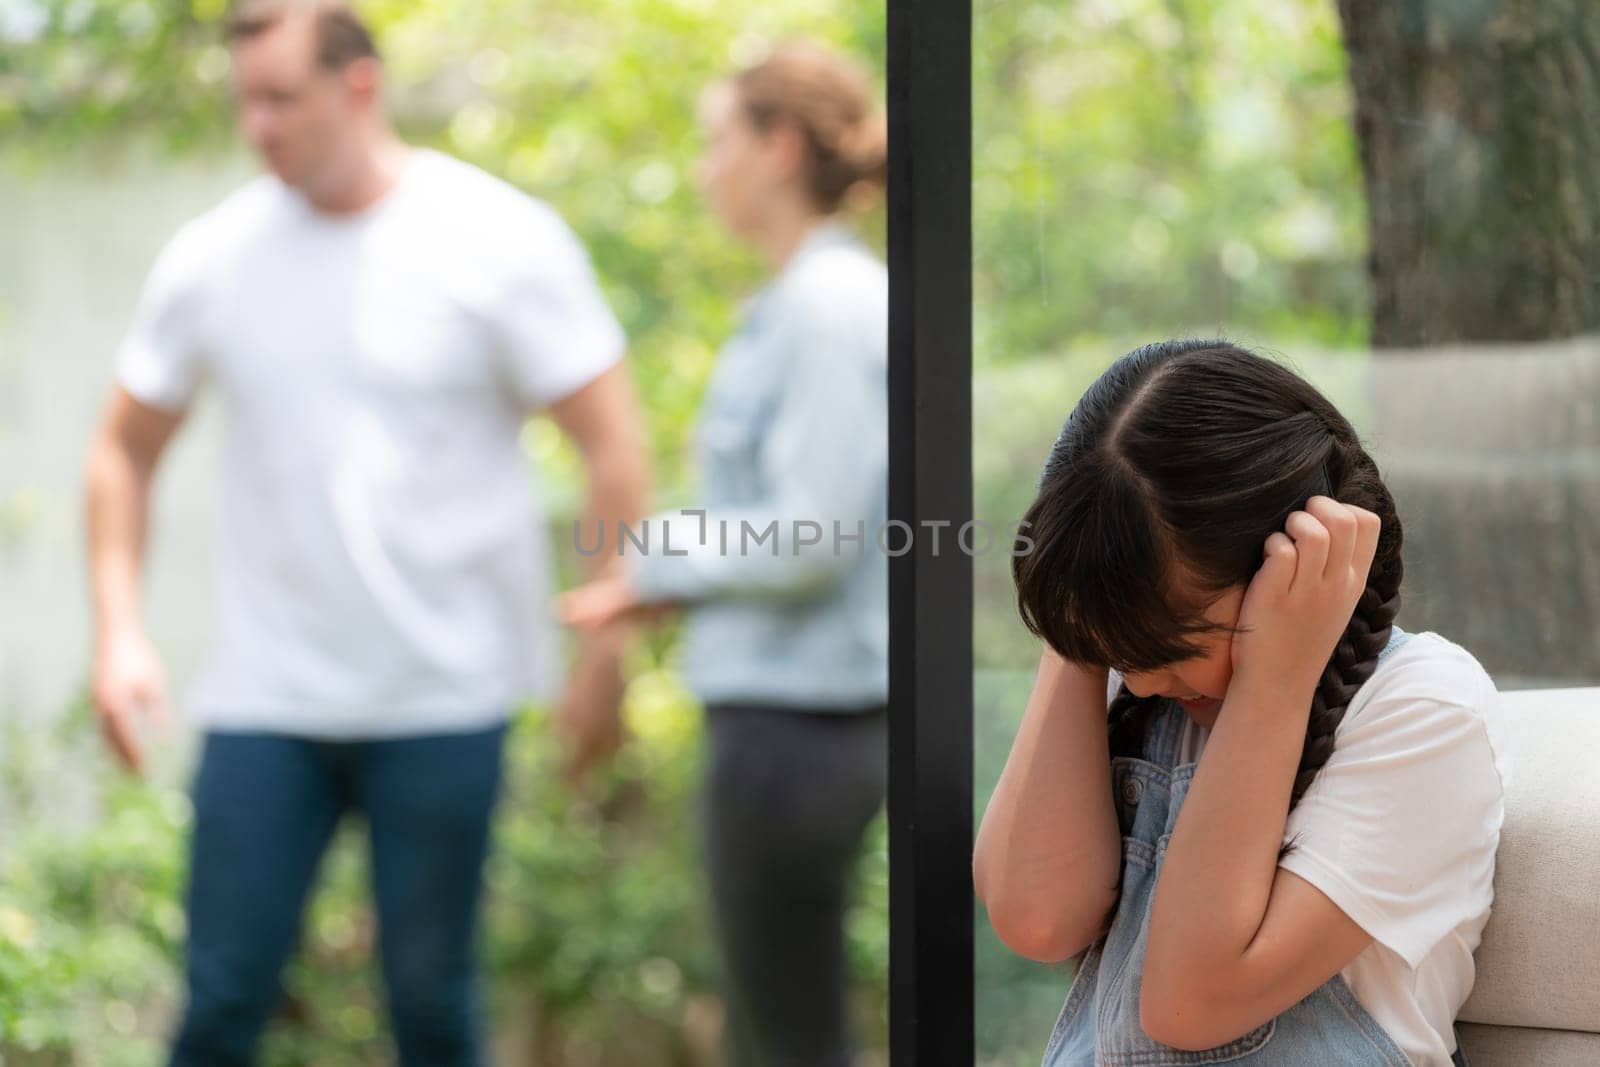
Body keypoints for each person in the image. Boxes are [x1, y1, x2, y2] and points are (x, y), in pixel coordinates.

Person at [83, 1, 649, 1063]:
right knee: (218, 1000)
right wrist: (119, 631)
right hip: (267, 696)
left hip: (444, 693)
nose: (256, 127)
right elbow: (123, 446)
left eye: (280, 99)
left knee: (433, 1007)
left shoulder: (499, 239)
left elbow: (611, 444)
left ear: (359, 86)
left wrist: (602, 646)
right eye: (244, 100)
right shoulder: (214, 256)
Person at [973, 340, 1511, 1067]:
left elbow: (1192, 1002)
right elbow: (1037, 917)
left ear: (1294, 561)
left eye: (1172, 643)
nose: (1141, 681)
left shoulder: (1422, 707)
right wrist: (1080, 609)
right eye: (1125, 651)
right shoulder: (1140, 685)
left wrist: (1275, 682)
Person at [559, 40, 888, 1067]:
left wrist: (650, 562)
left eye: (716, 144)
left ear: (778, 146)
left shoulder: (826, 309)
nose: (705, 171)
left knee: (785, 1034)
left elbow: (812, 531)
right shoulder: (796, 304)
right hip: (787, 717)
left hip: (804, 727)